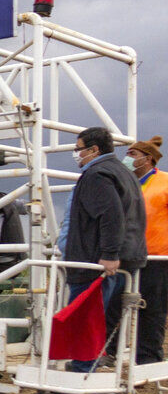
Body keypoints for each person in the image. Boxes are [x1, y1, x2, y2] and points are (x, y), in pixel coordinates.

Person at [63, 126, 148, 371]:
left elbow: (111, 215)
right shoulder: (124, 172)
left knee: (86, 317)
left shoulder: (97, 175)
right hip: (129, 259)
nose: (76, 154)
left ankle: (82, 367)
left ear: (94, 149)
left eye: (78, 149)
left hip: (99, 263)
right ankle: (90, 362)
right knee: (104, 319)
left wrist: (109, 254)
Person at [126, 135, 168, 363]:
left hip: (158, 258)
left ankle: (148, 358)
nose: (127, 158)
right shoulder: (126, 183)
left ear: (148, 159)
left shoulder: (165, 182)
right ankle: (112, 352)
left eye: (132, 155)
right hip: (127, 256)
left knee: (152, 310)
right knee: (116, 307)